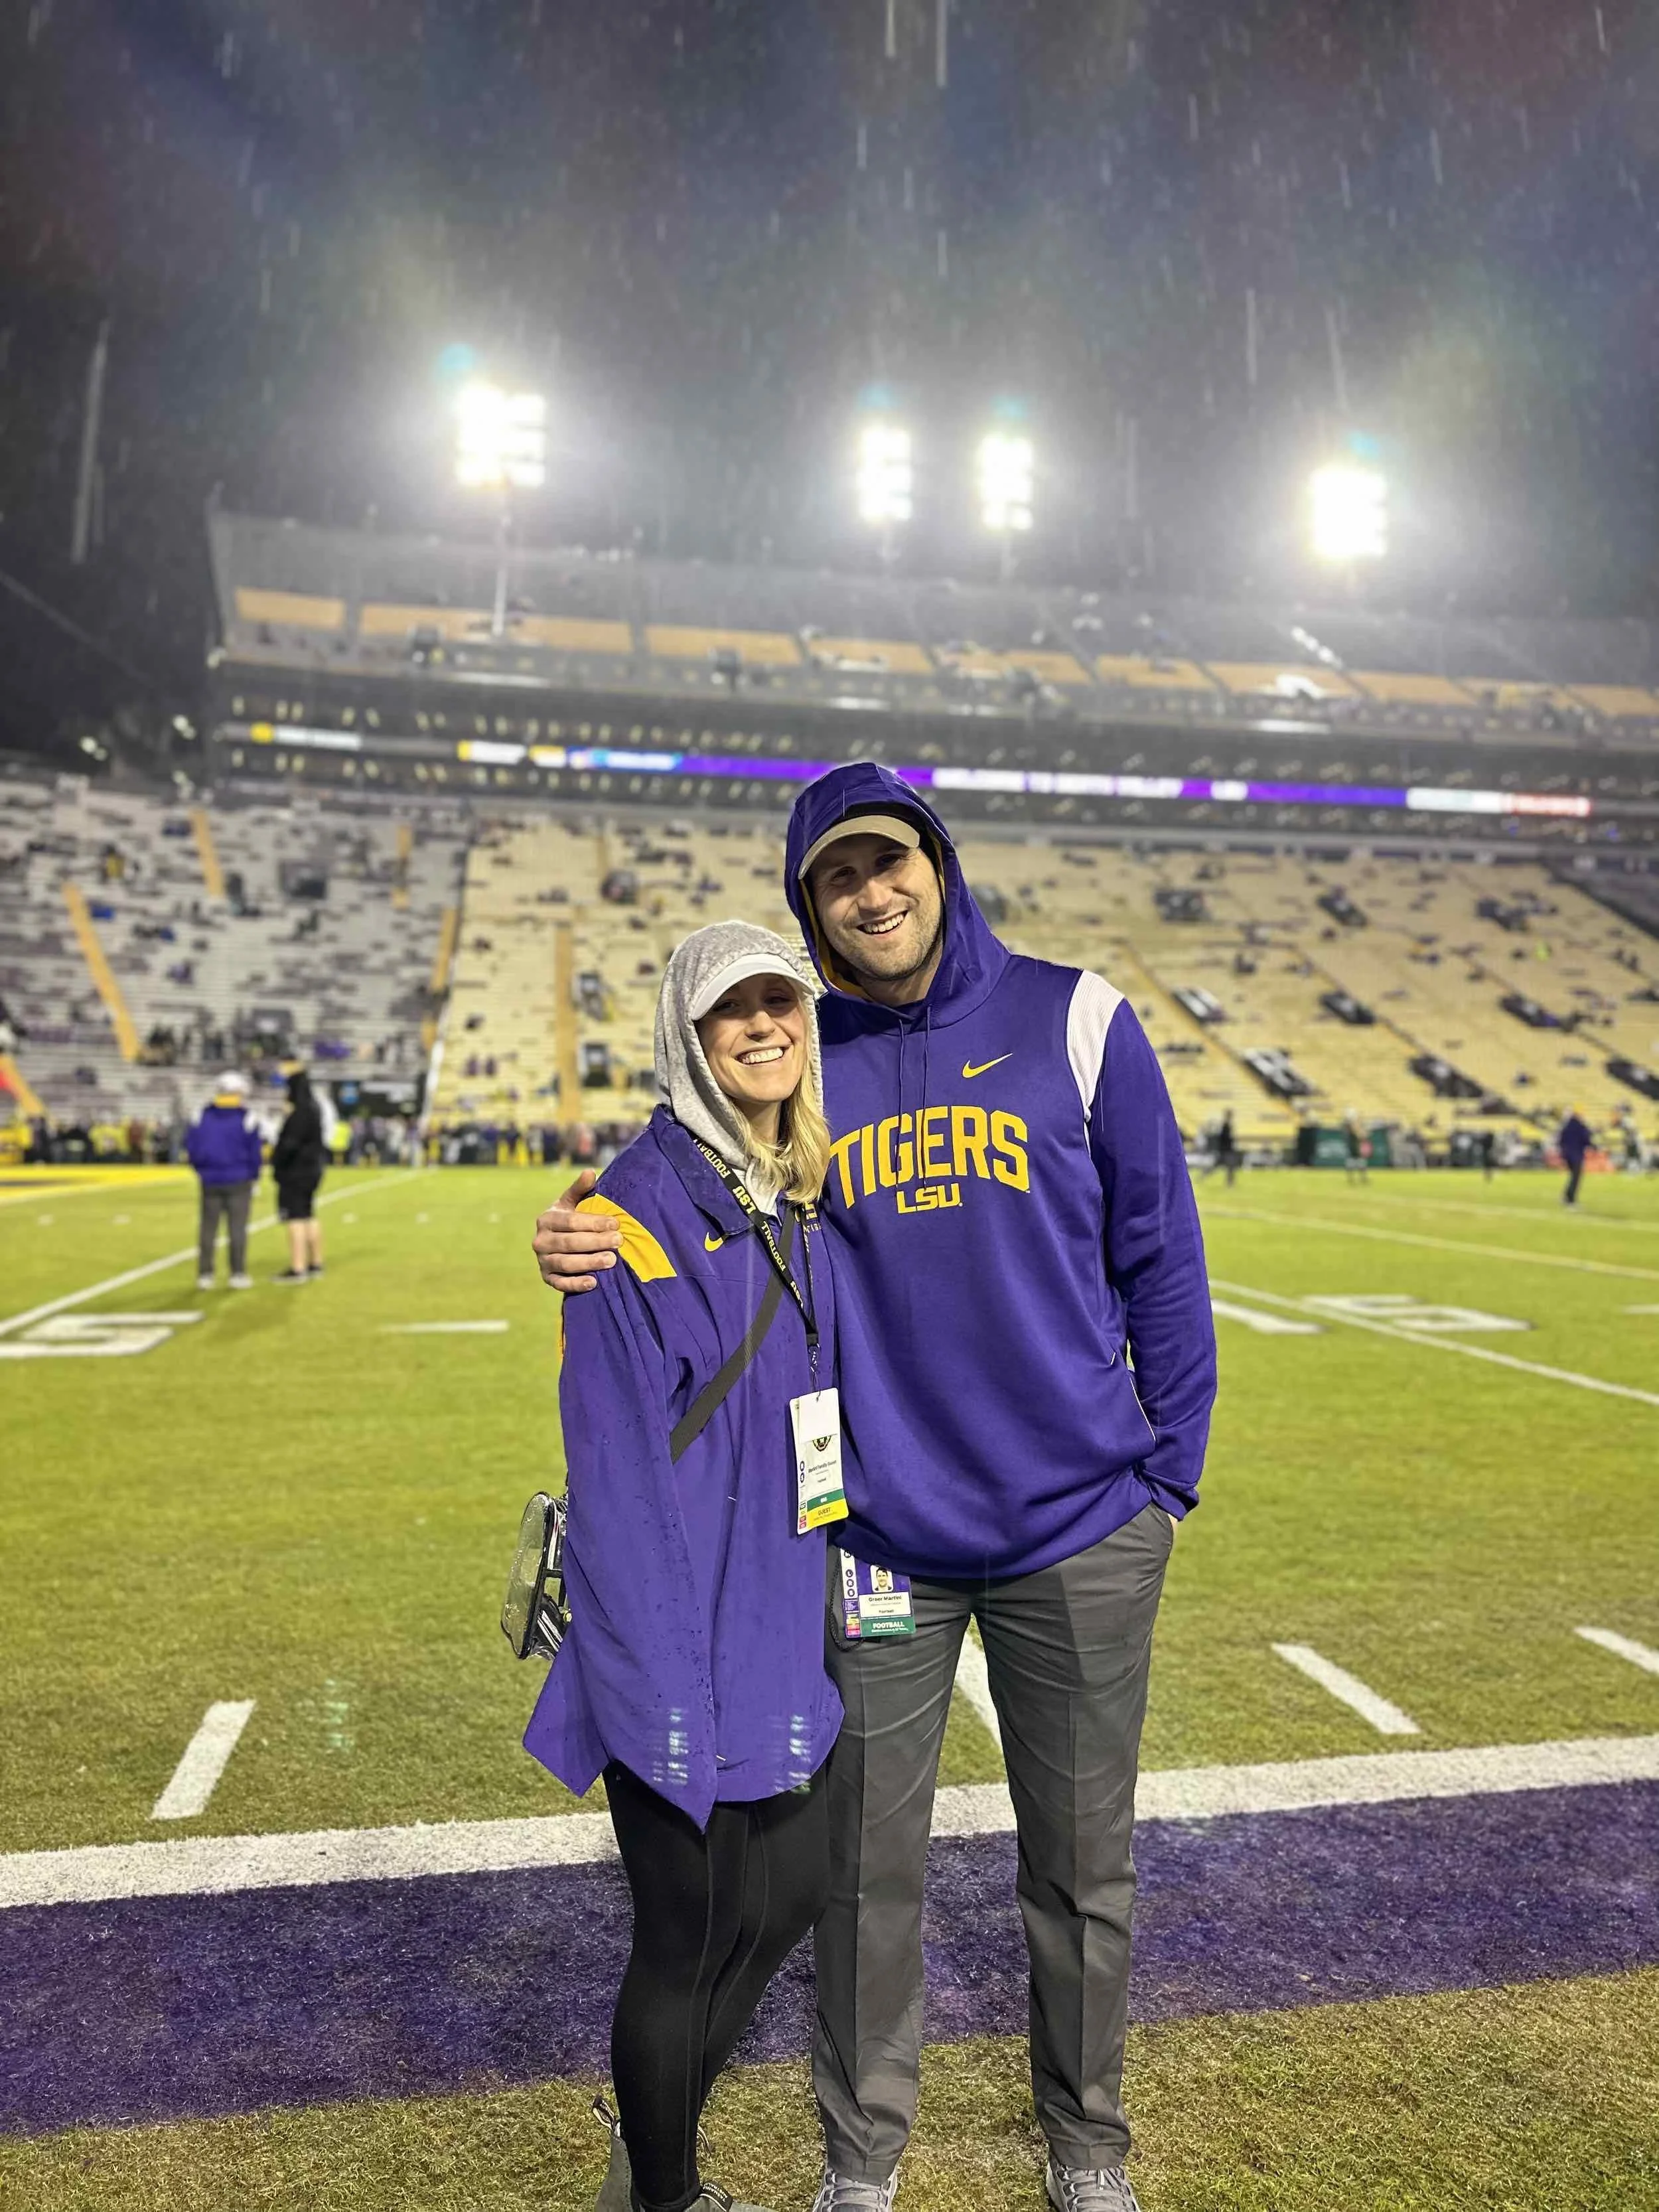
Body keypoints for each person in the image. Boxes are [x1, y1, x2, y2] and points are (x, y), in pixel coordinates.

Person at [538, 763, 1216, 2212]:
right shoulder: (805, 1046)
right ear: (811, 910)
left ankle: (1086, 2149)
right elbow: (692, 1192)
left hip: (1082, 1525)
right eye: (836, 879)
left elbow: (1161, 1252)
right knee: (854, 1882)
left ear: (938, 862)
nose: (870, 893)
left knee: (1082, 1870)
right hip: (882, 1545)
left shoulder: (1074, 1017)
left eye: (887, 862)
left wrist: (1168, 1474)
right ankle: (861, 2160)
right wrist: (577, 1228)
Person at [526, 922, 841, 2212]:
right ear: (686, 1035)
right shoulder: (626, 1214)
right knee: (683, 1933)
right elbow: (608, 1478)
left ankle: (649, 2128)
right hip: (673, 1631)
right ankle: (662, 2191)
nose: (764, 1024)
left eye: (783, 1001)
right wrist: (659, 1686)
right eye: (734, 1010)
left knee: (783, 1900)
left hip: (777, 1609)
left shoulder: (795, 1186)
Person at [184, 1070, 262, 1290]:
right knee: (237, 1228)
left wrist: (202, 1169)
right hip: (239, 1179)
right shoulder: (248, 1117)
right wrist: (254, 1176)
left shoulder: (200, 1115)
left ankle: (205, 1274)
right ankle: (237, 1273)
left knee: (208, 1228)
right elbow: (255, 1152)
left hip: (210, 1179)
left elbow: (191, 1147)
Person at [271, 1069, 326, 1281]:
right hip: (313, 1169)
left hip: (296, 1171)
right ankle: (316, 1262)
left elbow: (289, 1145)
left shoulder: (299, 1114)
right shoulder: (314, 1109)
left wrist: (278, 1163)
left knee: (296, 1217)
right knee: (309, 1214)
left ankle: (298, 1267)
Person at [1558, 1106, 1592, 1206]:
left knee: (1572, 1177)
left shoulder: (1566, 1125)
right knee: (1576, 1178)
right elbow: (1586, 1140)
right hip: (1577, 1155)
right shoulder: (1581, 1126)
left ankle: (1566, 1196)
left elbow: (1561, 1140)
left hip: (1567, 1155)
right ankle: (1571, 1199)